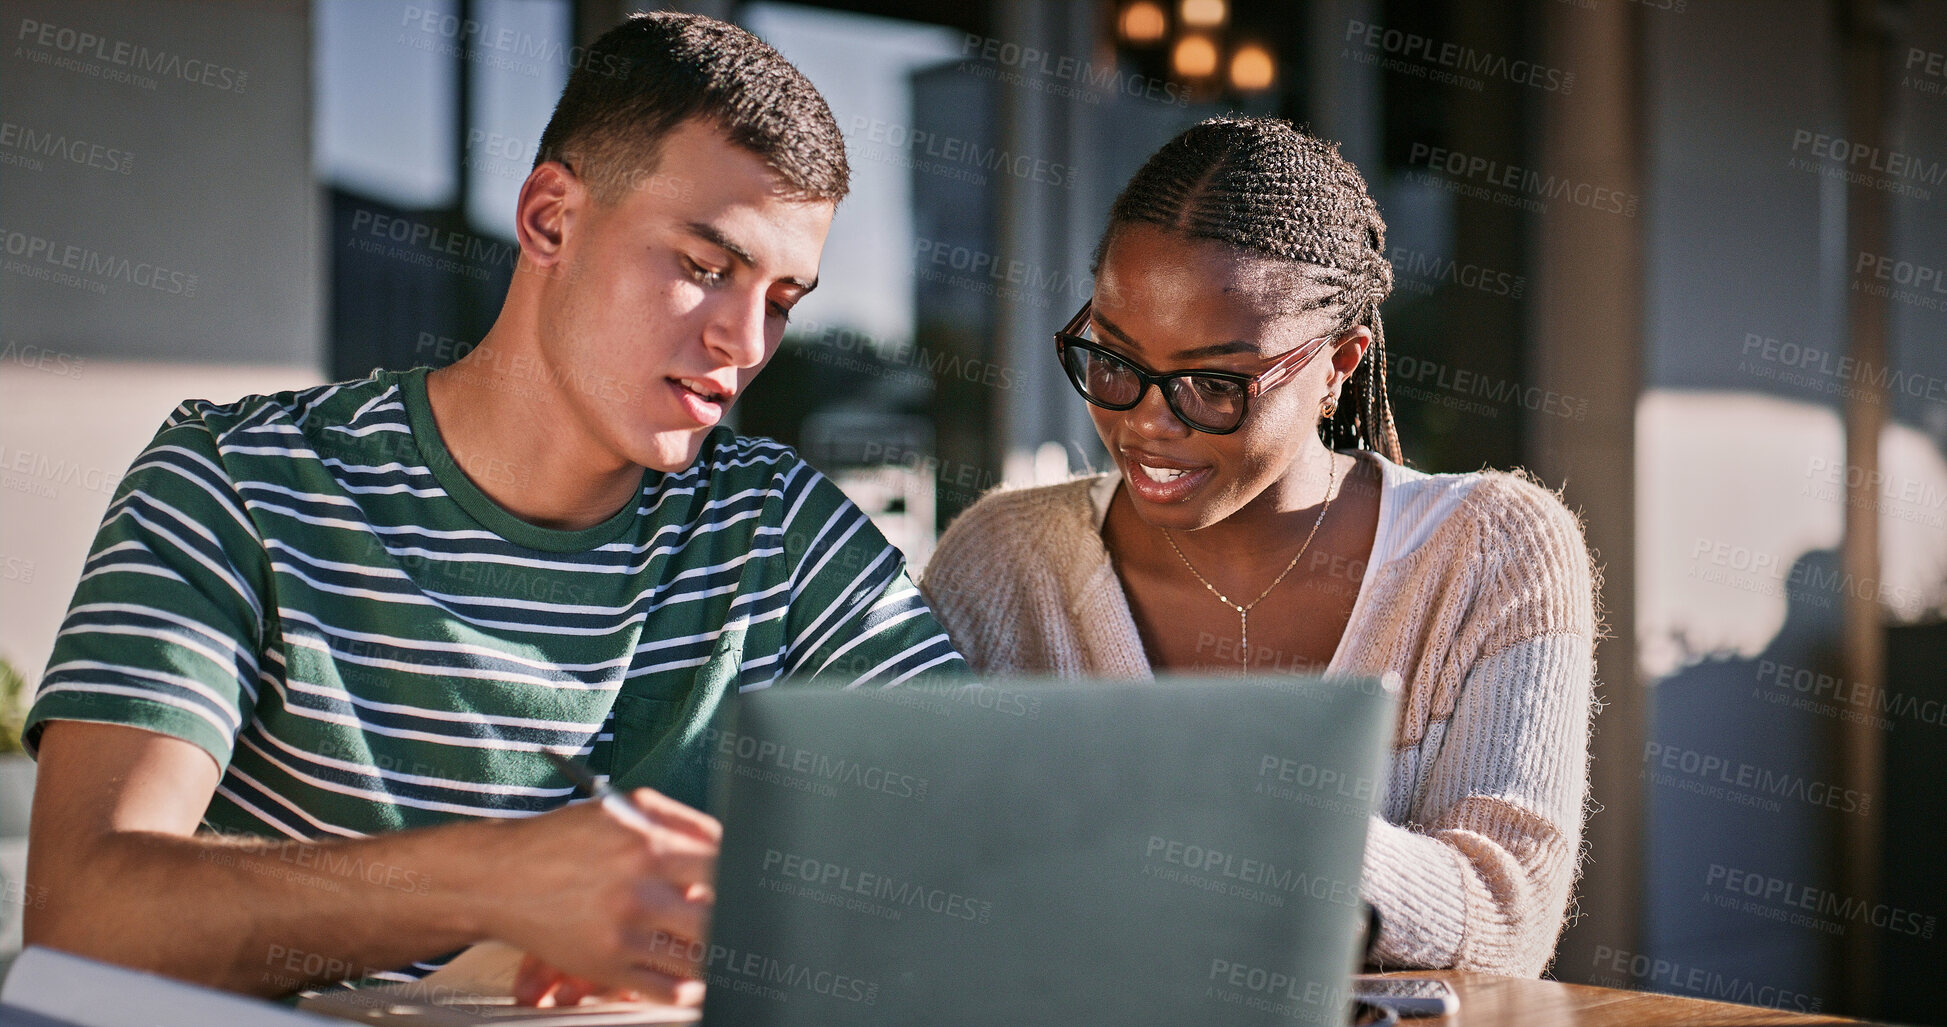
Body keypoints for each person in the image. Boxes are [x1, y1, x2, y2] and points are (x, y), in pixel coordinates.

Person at [22, 12, 961, 1008]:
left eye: (782, 298)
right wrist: (501, 880)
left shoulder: (781, 531)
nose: (746, 340)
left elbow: (991, 834)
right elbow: (84, 915)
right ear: (550, 219)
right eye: (703, 266)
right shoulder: (237, 479)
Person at [920, 116, 1599, 978]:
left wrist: (1204, 801)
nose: (1144, 422)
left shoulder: (1491, 550)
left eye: (1213, 383)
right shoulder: (1001, 558)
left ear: (1339, 363)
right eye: (1113, 359)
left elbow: (1505, 924)